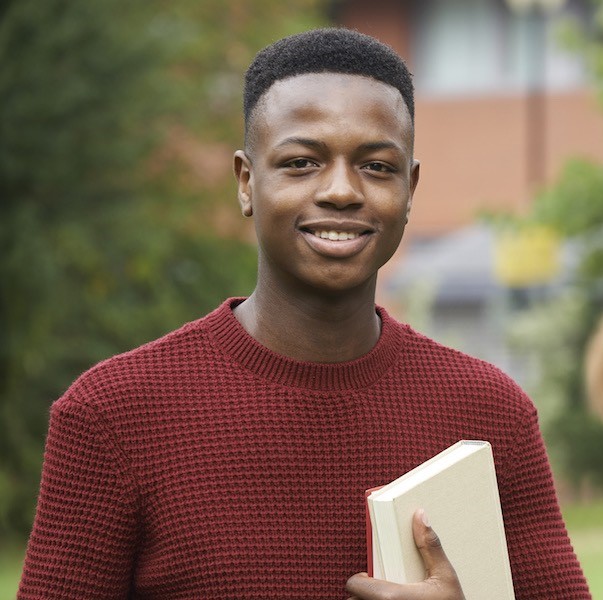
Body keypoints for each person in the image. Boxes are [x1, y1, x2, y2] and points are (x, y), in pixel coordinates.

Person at [18, 28, 590, 599]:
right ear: (246, 182)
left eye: (377, 166)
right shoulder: (111, 416)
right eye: (300, 162)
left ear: (411, 190)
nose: (341, 190)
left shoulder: (491, 417)